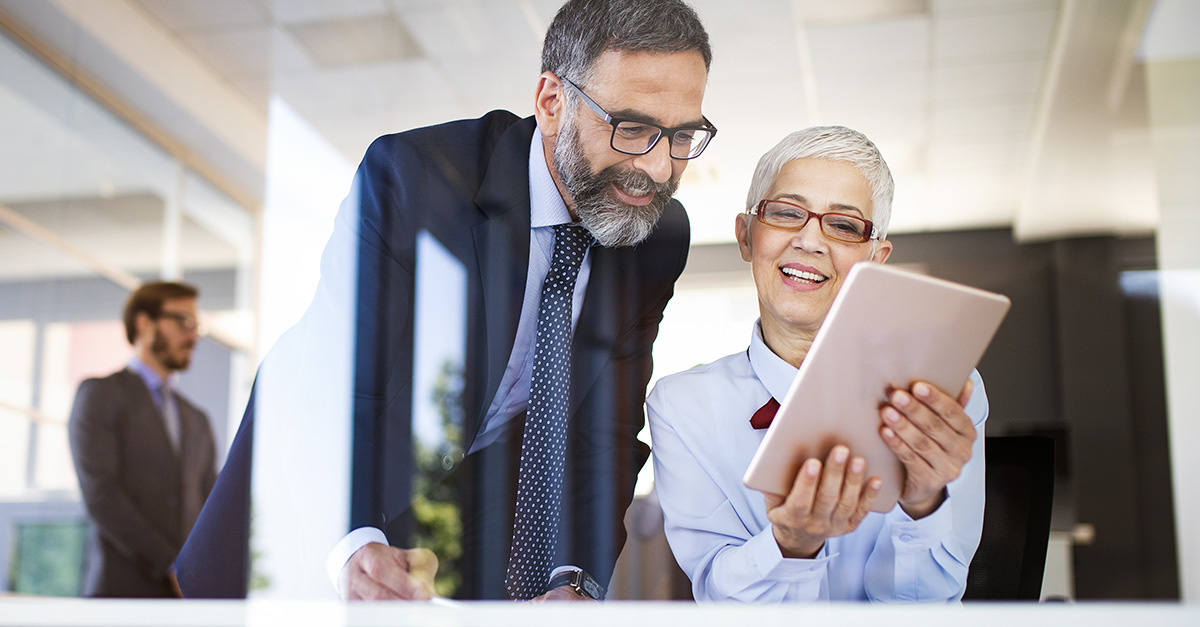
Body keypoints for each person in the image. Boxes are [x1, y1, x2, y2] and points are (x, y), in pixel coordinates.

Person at [177, 0, 716, 602]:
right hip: (314, 491)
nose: (660, 166)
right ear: (551, 102)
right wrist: (353, 544)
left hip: (472, 518)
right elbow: (339, 386)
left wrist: (577, 581)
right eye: (633, 128)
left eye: (682, 135)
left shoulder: (657, 238)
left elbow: (605, 431)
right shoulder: (415, 179)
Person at [646, 126, 987, 602]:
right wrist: (791, 544)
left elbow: (926, 606)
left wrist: (922, 503)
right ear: (746, 236)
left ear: (876, 259)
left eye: (844, 226)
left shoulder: (939, 390)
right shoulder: (681, 406)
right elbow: (721, 599)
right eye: (786, 213)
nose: (810, 241)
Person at [68, 281, 217, 598]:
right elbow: (101, 494)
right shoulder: (101, 394)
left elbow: (209, 506)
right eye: (184, 322)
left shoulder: (197, 420)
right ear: (144, 324)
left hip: (185, 603)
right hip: (120, 596)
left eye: (197, 325)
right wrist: (171, 564)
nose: (193, 336)